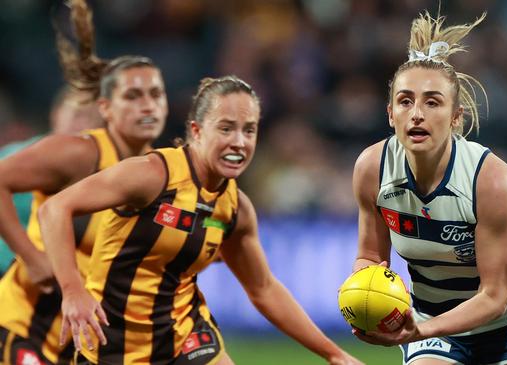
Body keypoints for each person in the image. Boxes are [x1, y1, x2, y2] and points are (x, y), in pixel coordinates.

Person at [39, 75, 363, 365]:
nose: (239, 141)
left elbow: (263, 288)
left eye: (248, 130)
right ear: (196, 130)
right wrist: (73, 291)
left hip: (186, 339)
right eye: (226, 128)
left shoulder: (235, 209)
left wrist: (333, 353)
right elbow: (54, 210)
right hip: (113, 348)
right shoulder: (152, 175)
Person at [350, 11, 507, 365]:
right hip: (434, 316)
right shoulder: (372, 169)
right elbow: (371, 257)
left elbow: (495, 297)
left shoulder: (492, 180)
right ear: (390, 113)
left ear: (456, 117)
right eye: (405, 101)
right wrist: (364, 292)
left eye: (432, 102)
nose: (416, 113)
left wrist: (418, 332)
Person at [0, 0, 168, 363]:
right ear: (108, 110)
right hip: (30, 325)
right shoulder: (80, 154)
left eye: (156, 95)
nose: (147, 107)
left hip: (86, 341)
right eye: (134, 96)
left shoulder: (158, 172)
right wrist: (29, 258)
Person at [0, 86, 103, 277]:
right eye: (77, 113)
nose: (83, 123)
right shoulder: (17, 155)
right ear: (56, 114)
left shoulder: (99, 169)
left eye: (92, 118)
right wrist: (31, 257)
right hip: (9, 265)